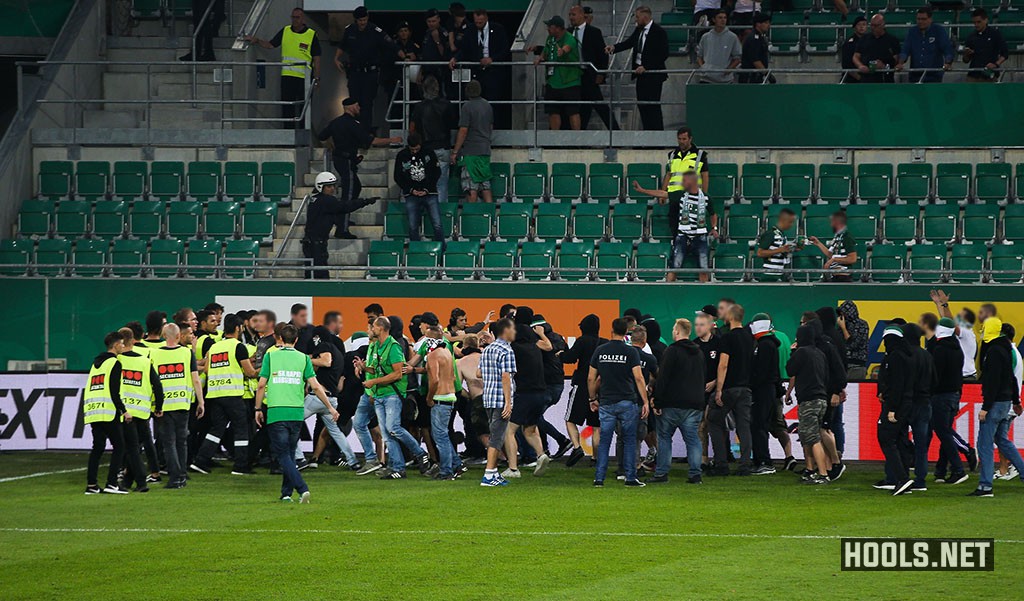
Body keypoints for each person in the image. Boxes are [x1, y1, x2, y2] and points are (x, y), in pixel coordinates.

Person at [255, 324, 328, 503]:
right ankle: (286, 494)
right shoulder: (303, 358)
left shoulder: (271, 356)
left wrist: (257, 408)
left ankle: (302, 488)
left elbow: (261, 385)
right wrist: (331, 407)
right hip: (296, 413)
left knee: (282, 455)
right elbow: (316, 386)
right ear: (296, 340)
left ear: (279, 338)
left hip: (276, 411)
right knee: (288, 452)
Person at [355, 317, 431, 479]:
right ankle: (398, 467)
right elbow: (378, 369)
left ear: (381, 328)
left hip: (392, 394)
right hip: (380, 394)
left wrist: (373, 381)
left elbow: (397, 373)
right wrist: (364, 368)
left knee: (393, 428)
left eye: (374, 326)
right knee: (387, 433)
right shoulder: (376, 346)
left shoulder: (394, 347)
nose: (371, 329)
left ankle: (420, 453)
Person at [318, 99, 400, 239]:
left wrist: (331, 146)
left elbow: (322, 136)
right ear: (350, 107)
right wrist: (392, 140)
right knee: (348, 194)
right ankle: (342, 229)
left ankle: (342, 218)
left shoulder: (336, 122)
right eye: (357, 105)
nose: (359, 107)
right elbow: (371, 141)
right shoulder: (352, 124)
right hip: (346, 161)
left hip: (340, 159)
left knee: (356, 187)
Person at [190, 315, 258, 475]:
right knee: (241, 430)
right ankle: (241, 466)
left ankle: (200, 461)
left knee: (216, 429)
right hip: (233, 394)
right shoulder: (238, 347)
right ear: (238, 328)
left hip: (215, 394)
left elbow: (206, 369)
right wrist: (263, 370)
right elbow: (250, 372)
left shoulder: (215, 347)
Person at [588, 317, 650, 487]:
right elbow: (638, 378)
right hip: (627, 401)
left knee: (605, 440)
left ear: (612, 330)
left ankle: (599, 478)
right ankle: (630, 477)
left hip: (607, 402)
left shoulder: (600, 350)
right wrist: (645, 401)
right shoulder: (631, 352)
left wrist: (592, 398)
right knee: (630, 440)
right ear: (626, 333)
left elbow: (591, 377)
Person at [969, 318, 1024, 497]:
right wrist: (1016, 401)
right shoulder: (1007, 350)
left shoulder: (993, 351)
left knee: (984, 444)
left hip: (995, 403)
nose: (982, 332)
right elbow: (1012, 379)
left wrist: (986, 406)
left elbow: (992, 382)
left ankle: (985, 486)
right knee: (1002, 440)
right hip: (1006, 401)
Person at [648, 318, 705, 484]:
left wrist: (657, 401)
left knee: (664, 437)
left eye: (674, 329)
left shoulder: (672, 351)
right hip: (694, 404)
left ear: (678, 331)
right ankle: (695, 474)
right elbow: (703, 377)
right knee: (693, 439)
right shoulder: (699, 352)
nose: (672, 332)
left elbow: (663, 378)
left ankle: (662, 473)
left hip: (672, 403)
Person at [150, 323, 205, 489]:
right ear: (179, 336)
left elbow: (151, 381)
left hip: (164, 404)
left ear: (163, 336)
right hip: (182, 403)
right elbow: (196, 379)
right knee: (182, 442)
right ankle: (182, 476)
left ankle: (175, 477)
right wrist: (201, 401)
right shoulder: (186, 353)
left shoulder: (154, 354)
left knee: (169, 442)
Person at [246, 7, 322, 128]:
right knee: (287, 108)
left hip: (304, 78)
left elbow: (317, 58)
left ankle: (303, 138)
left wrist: (317, 78)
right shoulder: (285, 31)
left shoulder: (311, 35)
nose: (295, 20)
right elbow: (271, 44)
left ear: (303, 19)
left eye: (297, 17)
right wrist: (256, 40)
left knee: (304, 109)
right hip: (287, 77)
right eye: (293, 17)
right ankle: (289, 135)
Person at [635, 169, 715, 283]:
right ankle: (668, 292)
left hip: (700, 236)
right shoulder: (680, 195)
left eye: (684, 180)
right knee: (674, 266)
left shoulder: (706, 197)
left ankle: (704, 293)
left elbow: (713, 214)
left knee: (703, 268)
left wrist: (714, 227)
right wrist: (643, 191)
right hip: (682, 235)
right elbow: (663, 193)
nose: (682, 183)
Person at [504, 308, 554, 477]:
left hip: (525, 394)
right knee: (530, 430)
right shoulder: (535, 345)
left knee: (508, 431)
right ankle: (541, 455)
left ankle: (512, 468)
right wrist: (540, 333)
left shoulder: (513, 348)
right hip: (541, 393)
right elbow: (548, 346)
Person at [707, 304, 754, 476]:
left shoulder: (727, 338)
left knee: (714, 421)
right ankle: (745, 464)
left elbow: (723, 365)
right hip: (745, 388)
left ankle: (721, 464)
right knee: (743, 425)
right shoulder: (750, 338)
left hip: (729, 387)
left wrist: (718, 389)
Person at [334, 6, 397, 131]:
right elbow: (342, 46)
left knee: (367, 104)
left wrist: (404, 56)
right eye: (360, 20)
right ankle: (354, 132)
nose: (363, 22)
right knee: (353, 104)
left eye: (365, 19)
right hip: (355, 73)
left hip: (370, 74)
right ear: (355, 20)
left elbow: (391, 45)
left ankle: (365, 133)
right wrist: (336, 58)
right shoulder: (350, 30)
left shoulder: (374, 30)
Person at [83, 332, 131, 495]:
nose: (123, 347)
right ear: (116, 345)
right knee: (120, 446)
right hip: (108, 411)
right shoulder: (114, 363)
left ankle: (91, 485)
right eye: (122, 344)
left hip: (94, 411)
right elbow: (114, 391)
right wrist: (124, 411)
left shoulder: (95, 364)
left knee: (97, 448)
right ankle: (112, 483)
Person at [606, 6, 668, 130]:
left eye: (637, 16)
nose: (635, 19)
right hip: (640, 75)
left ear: (645, 17)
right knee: (642, 106)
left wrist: (647, 67)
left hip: (653, 76)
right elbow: (629, 43)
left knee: (653, 107)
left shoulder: (659, 32)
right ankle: (646, 135)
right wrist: (614, 48)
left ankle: (658, 136)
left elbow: (663, 53)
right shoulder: (638, 30)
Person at [450, 9, 512, 129]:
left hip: (493, 73)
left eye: (480, 22)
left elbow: (505, 50)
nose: (478, 24)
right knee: (473, 101)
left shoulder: (498, 29)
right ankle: (476, 128)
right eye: (476, 22)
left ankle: (494, 130)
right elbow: (464, 49)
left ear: (486, 18)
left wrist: (492, 59)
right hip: (477, 72)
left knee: (493, 103)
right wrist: (455, 59)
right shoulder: (470, 30)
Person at [785, 324, 830, 485]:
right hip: (821, 399)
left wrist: (793, 352)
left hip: (808, 400)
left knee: (812, 437)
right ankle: (810, 470)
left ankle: (823, 474)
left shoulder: (801, 352)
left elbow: (790, 370)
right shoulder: (820, 353)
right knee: (807, 436)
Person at [927, 316, 969, 486]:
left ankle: (958, 469)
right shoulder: (957, 349)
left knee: (943, 432)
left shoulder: (939, 350)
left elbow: (935, 376)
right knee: (945, 432)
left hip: (941, 396)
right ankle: (942, 470)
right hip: (954, 395)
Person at [876, 324, 917, 496]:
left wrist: (892, 409)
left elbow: (897, 385)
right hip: (906, 403)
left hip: (897, 404)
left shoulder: (895, 357)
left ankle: (901, 478)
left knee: (885, 437)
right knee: (900, 440)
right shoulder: (906, 356)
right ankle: (904, 477)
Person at [560, 314, 606, 466]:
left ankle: (577, 447)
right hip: (599, 388)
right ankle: (596, 459)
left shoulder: (582, 341)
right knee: (596, 426)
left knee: (570, 419)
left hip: (582, 385)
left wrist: (560, 354)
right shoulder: (604, 343)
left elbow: (570, 358)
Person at [421, 324, 464, 480]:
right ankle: (456, 464)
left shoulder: (433, 355)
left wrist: (429, 397)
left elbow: (434, 380)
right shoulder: (447, 352)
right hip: (450, 396)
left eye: (426, 337)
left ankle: (446, 471)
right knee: (442, 435)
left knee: (440, 437)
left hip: (440, 398)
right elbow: (452, 377)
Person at [479, 318, 517, 486]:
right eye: (512, 329)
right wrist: (508, 403)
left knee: (496, 435)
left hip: (488, 398)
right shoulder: (507, 351)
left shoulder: (487, 350)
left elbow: (478, 373)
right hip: (501, 399)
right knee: (496, 438)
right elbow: (505, 376)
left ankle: (493, 472)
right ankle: (488, 474)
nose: (514, 332)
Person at [568, 5, 617, 131]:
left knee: (599, 105)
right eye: (570, 15)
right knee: (582, 107)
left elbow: (602, 54)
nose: (571, 18)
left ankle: (616, 133)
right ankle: (581, 137)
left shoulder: (594, 32)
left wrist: (601, 73)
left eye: (573, 15)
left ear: (581, 15)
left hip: (588, 74)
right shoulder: (568, 32)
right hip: (574, 75)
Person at [531, 16, 582, 131]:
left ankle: (577, 140)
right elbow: (545, 52)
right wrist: (540, 58)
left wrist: (562, 51)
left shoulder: (569, 38)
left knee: (573, 111)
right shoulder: (550, 38)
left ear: (558, 28)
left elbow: (567, 47)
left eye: (550, 27)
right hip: (552, 81)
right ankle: (554, 140)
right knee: (553, 111)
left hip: (569, 82)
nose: (548, 29)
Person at [902, 323, 935, 491]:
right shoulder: (927, 355)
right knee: (922, 445)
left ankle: (901, 477)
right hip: (924, 403)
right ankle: (920, 480)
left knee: (899, 440)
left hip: (907, 403)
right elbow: (935, 380)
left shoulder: (905, 355)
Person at [394, 133, 444, 243]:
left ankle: (442, 249)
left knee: (437, 223)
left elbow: (436, 172)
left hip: (430, 193)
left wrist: (427, 189)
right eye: (412, 150)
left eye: (417, 149)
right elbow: (398, 176)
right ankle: (415, 249)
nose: (415, 152)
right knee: (412, 225)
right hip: (411, 195)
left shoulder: (429, 153)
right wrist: (411, 190)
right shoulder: (402, 155)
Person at [410, 76, 453, 204]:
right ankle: (441, 215)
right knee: (441, 184)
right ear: (438, 89)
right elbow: (452, 124)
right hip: (443, 147)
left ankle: (426, 215)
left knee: (424, 183)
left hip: (425, 148)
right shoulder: (447, 105)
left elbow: (412, 129)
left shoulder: (419, 107)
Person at [451, 80, 494, 203]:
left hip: (471, 152)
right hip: (485, 151)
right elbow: (490, 127)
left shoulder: (467, 107)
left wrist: (455, 151)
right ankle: (490, 215)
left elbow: (463, 130)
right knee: (485, 185)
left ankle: (471, 217)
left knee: (471, 188)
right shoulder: (487, 105)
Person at [749, 313, 781, 474]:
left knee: (759, 425)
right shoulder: (768, 344)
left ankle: (764, 461)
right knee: (760, 425)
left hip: (763, 391)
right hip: (767, 390)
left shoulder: (764, 346)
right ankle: (761, 460)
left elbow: (761, 372)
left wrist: (752, 384)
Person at [930, 289, 979, 381]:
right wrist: (938, 304)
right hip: (961, 375)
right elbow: (946, 320)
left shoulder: (966, 332)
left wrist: (945, 304)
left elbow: (950, 322)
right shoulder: (963, 332)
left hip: (966, 376)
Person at [896, 7, 953, 83]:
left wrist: (948, 63)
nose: (920, 21)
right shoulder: (912, 32)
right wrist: (900, 63)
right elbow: (905, 50)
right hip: (914, 75)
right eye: (918, 19)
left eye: (923, 19)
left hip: (934, 76)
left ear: (930, 19)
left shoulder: (939, 31)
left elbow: (947, 49)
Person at [808, 210, 857, 282]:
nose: (831, 224)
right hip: (833, 274)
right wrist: (818, 243)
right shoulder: (837, 236)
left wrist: (834, 260)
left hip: (843, 276)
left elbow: (852, 259)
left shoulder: (847, 237)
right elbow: (830, 254)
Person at [696, 10, 742, 84]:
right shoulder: (705, 37)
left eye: (725, 18)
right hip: (706, 79)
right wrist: (703, 68)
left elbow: (737, 58)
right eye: (720, 18)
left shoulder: (733, 37)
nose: (723, 20)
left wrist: (728, 70)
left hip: (726, 80)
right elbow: (699, 56)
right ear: (714, 20)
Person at [963, 8, 1008, 83]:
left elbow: (1005, 53)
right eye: (974, 22)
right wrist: (967, 54)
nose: (976, 25)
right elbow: (966, 60)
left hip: (990, 75)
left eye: (979, 22)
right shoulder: (971, 36)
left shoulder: (995, 34)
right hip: (973, 76)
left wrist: (996, 64)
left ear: (986, 20)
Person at [853, 14, 901, 84]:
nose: (873, 28)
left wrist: (884, 66)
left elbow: (896, 60)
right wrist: (860, 66)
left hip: (885, 79)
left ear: (883, 25)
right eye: (871, 25)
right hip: (867, 79)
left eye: (876, 26)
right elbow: (855, 56)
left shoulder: (892, 40)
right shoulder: (864, 39)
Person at [756, 208, 798, 279]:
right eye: (790, 222)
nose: (791, 225)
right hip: (770, 274)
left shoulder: (781, 234)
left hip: (780, 273)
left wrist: (794, 249)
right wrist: (779, 250)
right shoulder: (770, 234)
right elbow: (760, 253)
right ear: (783, 220)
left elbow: (783, 250)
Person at [838, 300, 869, 380]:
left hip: (856, 366)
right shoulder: (840, 327)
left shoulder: (862, 325)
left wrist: (844, 329)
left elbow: (853, 344)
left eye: (843, 313)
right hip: (843, 365)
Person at [420, 9, 450, 91]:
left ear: (438, 20)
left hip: (438, 71)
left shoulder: (443, 32)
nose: (431, 24)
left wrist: (437, 41)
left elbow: (445, 54)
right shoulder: (427, 32)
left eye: (433, 21)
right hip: (427, 70)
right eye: (429, 21)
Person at [738, 13, 771, 84]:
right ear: (758, 24)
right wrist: (768, 74)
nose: (768, 25)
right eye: (765, 23)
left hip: (755, 76)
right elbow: (755, 60)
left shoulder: (760, 38)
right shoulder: (753, 39)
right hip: (750, 78)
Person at [841, 15, 869, 83]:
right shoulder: (849, 43)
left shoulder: (871, 41)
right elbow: (846, 64)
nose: (861, 27)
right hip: (851, 79)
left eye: (864, 24)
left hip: (867, 77)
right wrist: (859, 78)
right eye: (859, 24)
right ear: (854, 27)